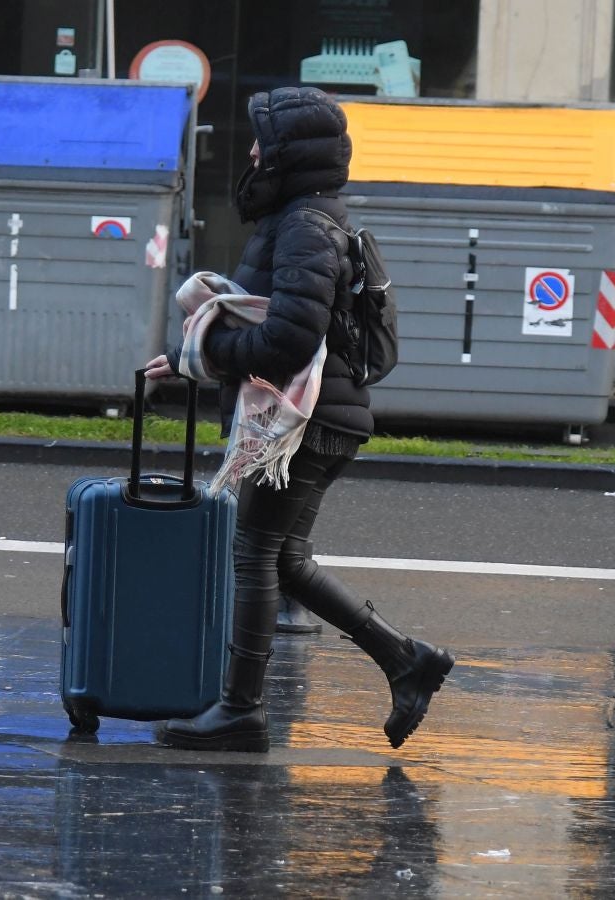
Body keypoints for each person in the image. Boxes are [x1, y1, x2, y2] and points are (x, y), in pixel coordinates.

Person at [145, 86, 454, 753]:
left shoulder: (304, 227)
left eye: (262, 141)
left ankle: (240, 710)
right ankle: (407, 661)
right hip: (324, 418)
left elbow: (287, 338)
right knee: (285, 559)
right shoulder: (305, 218)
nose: (251, 151)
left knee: (253, 553)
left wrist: (202, 355)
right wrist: (191, 358)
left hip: (306, 423)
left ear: (287, 153)